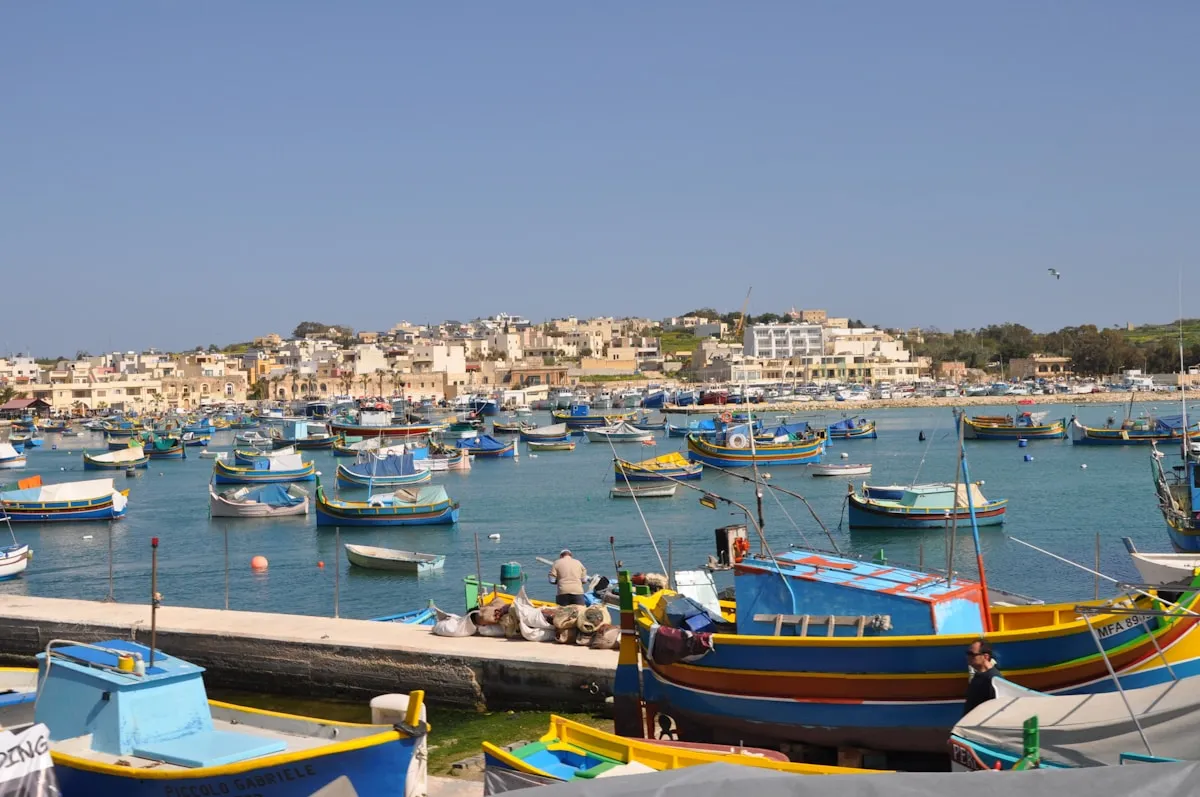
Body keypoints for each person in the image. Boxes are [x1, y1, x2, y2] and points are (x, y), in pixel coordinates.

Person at [963, 639, 1001, 716]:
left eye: (972, 654)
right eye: (967, 653)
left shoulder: (993, 679)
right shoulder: (978, 675)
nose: (968, 657)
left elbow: (996, 708)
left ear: (985, 657)